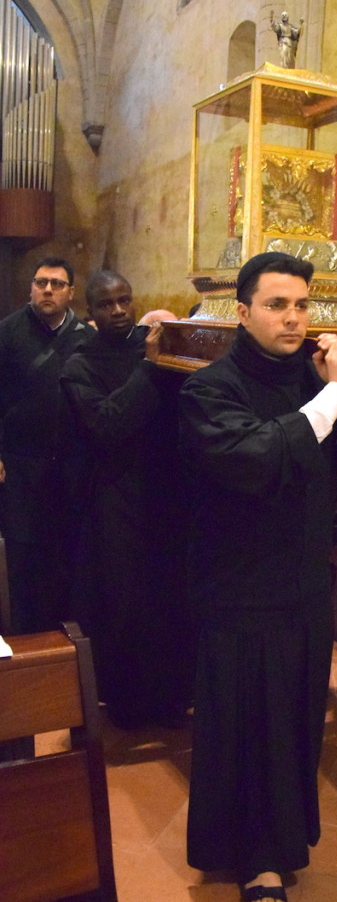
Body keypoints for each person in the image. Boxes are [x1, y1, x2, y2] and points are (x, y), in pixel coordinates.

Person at [179, 251, 337, 902]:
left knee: (293, 723)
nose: (294, 319)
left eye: (302, 305)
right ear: (243, 312)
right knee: (246, 725)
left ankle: (282, 841)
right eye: (277, 305)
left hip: (301, 585)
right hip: (240, 588)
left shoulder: (315, 376)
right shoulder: (212, 388)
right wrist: (333, 391)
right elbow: (256, 458)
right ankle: (252, 856)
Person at [59, 271, 192, 728]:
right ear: (90, 313)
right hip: (114, 496)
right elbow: (107, 426)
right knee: (123, 601)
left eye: (124, 301)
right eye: (106, 304)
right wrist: (150, 367)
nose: (118, 311)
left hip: (165, 489)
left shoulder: (151, 343)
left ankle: (174, 695)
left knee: (169, 592)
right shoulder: (80, 364)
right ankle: (128, 703)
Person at [0, 256, 94, 632]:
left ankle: (64, 641)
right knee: (24, 552)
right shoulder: (7, 333)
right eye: (41, 283)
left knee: (66, 550)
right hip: (21, 462)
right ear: (31, 288)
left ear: (71, 292)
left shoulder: (86, 339)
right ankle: (25, 638)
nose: (48, 290)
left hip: (71, 464)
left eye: (57, 283)